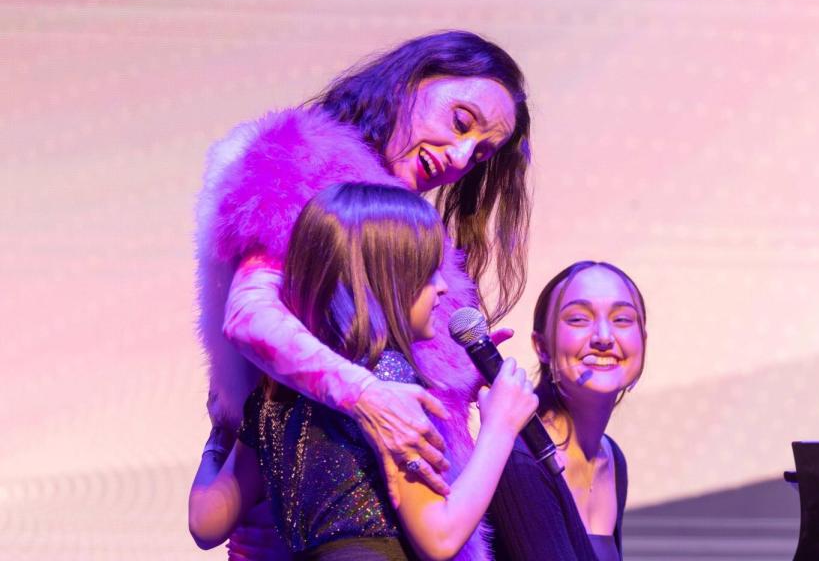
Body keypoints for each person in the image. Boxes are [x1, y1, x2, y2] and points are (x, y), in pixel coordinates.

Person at [192, 31, 531, 559]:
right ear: (411, 81)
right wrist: (368, 394)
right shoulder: (307, 176)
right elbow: (250, 314)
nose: (462, 155)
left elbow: (206, 519)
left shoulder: (394, 226)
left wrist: (449, 366)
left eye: (482, 153)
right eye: (460, 122)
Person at [190, 183, 538, 561]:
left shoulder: (275, 393)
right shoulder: (387, 381)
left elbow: (207, 521)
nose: (441, 288)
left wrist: (220, 435)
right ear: (382, 279)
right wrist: (500, 426)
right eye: (427, 273)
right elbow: (440, 535)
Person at [487, 262, 647, 561]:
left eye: (623, 319)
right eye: (578, 319)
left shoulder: (611, 457)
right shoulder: (521, 460)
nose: (603, 337)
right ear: (541, 346)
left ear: (643, 341)